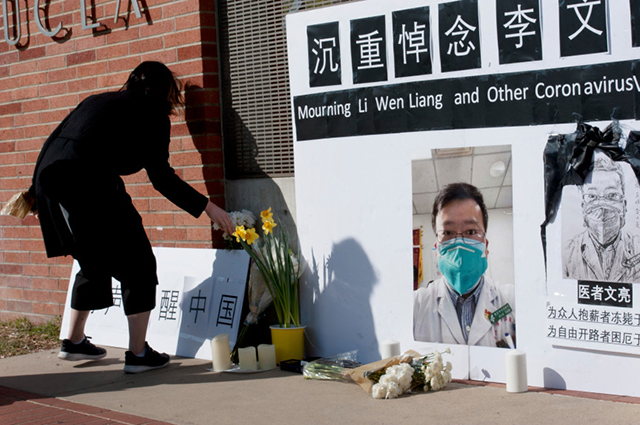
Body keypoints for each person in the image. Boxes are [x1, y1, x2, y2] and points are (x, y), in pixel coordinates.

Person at [29, 61, 235, 373]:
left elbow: (55, 140)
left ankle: (73, 341)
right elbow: (162, 179)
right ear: (166, 90)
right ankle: (138, 354)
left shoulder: (99, 100)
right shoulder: (152, 115)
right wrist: (210, 207)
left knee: (92, 259)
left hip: (51, 178)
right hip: (88, 181)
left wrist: (35, 190)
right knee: (139, 261)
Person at [413, 183, 515, 347]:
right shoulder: (416, 307)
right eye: (447, 233)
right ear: (437, 249)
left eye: (470, 232)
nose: (459, 243)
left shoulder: (513, 301)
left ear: (485, 246)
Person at [563, 156, 640, 283]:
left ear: (624, 205)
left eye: (612, 196)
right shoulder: (568, 253)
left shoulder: (637, 248)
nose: (602, 206)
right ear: (583, 207)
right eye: (592, 196)